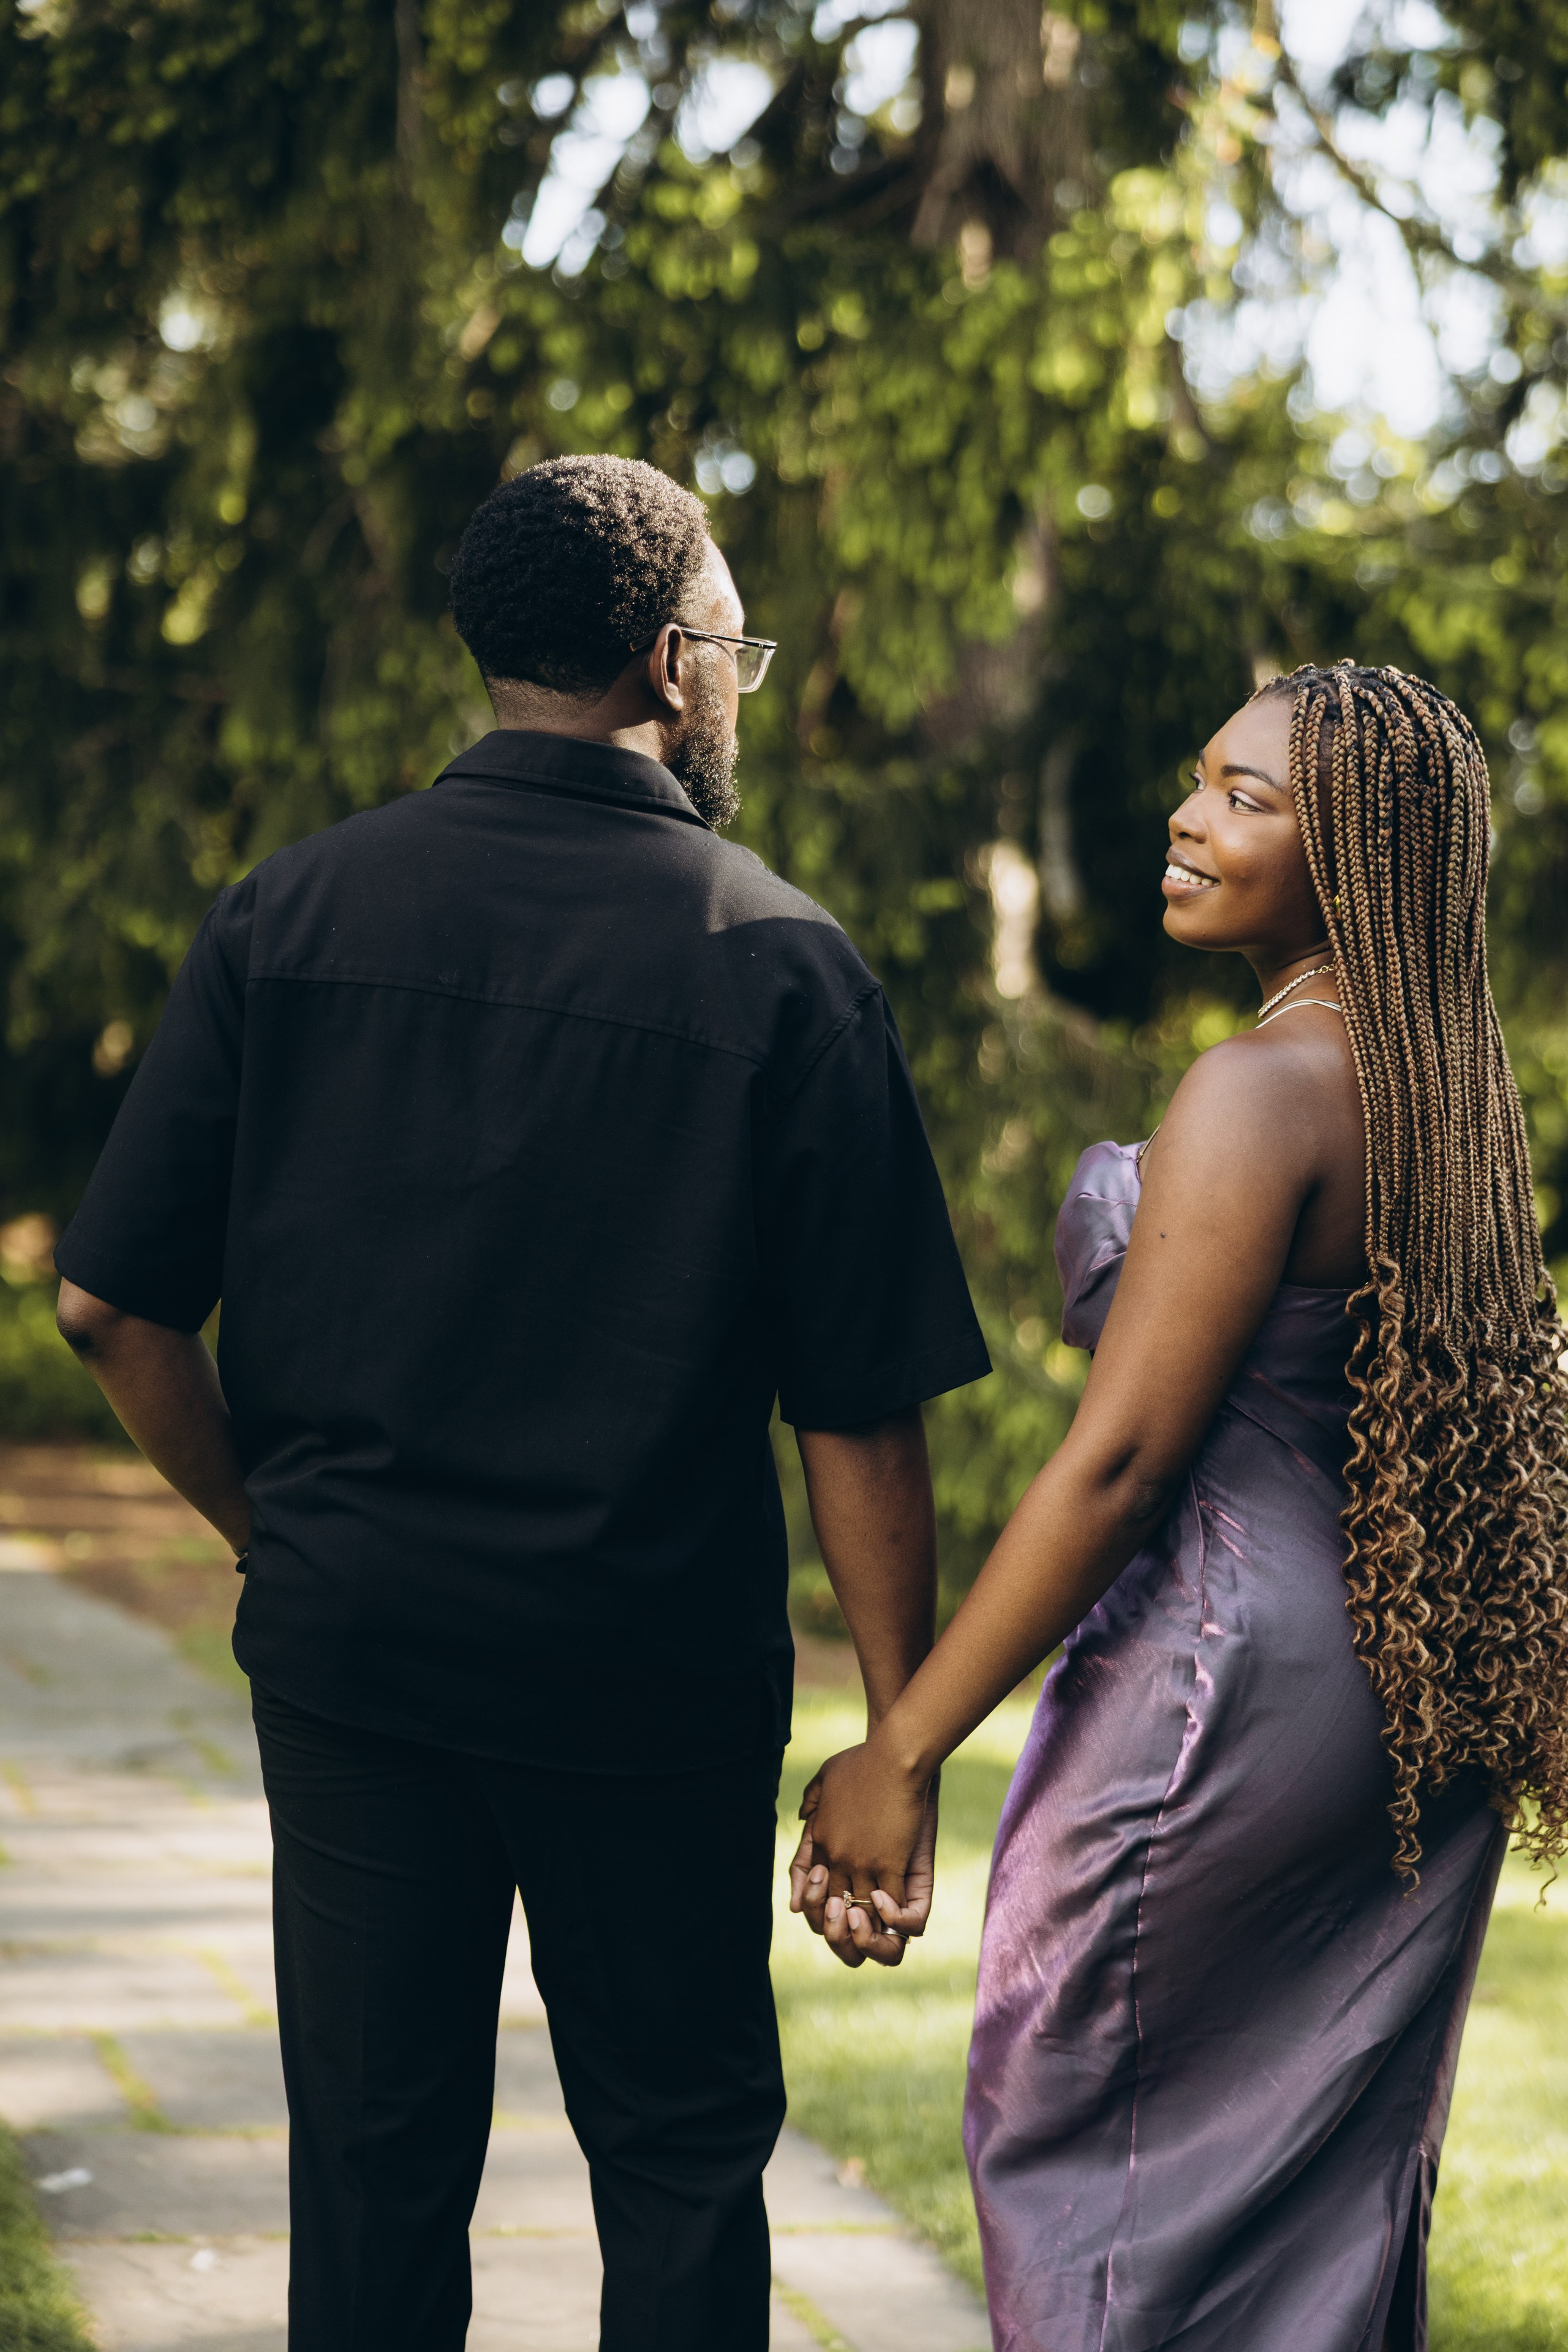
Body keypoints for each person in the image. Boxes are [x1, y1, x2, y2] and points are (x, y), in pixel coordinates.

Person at [51, 453, 990, 2352]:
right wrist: (900, 1741)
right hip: (645, 1678)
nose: (739, 674)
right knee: (678, 2164)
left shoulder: (284, 915)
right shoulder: (788, 966)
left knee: (377, 2170)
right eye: (735, 641)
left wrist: (273, 1534)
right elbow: (861, 1414)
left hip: (357, 1658)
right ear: (670, 664)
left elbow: (105, 1305)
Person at [791, 662, 1568, 2350]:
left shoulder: (1260, 1091)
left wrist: (899, 1748)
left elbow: (1125, 1465)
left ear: (1358, 855)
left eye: (1248, 797)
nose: (1189, 814)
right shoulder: (1447, 1092)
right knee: (1309, 2201)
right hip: (1400, 1697)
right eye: (1200, 775)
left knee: (1091, 2149)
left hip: (1218, 1696)